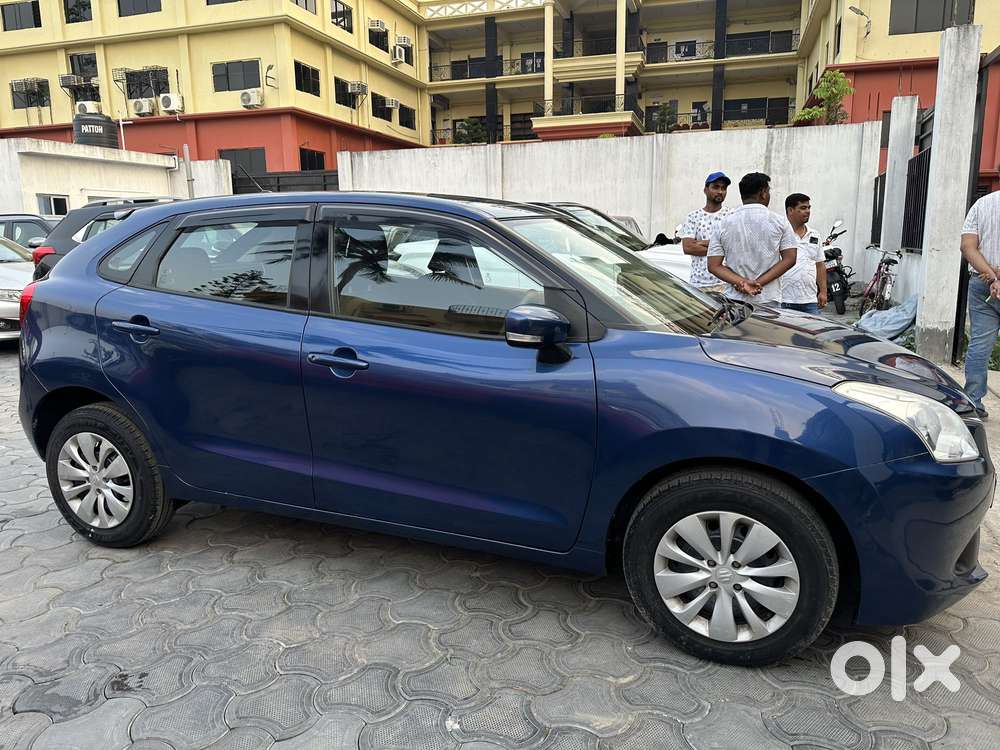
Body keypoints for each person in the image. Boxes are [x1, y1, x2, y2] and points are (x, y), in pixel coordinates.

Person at [707, 172, 798, 303]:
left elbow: (714, 266)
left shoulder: (723, 224)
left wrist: (743, 283)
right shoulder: (780, 222)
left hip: (734, 299)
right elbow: (790, 258)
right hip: (768, 298)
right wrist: (758, 283)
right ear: (763, 193)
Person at [960, 188, 1000, 420]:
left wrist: (992, 276)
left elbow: (968, 247)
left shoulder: (982, 204)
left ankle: (973, 402)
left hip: (983, 283)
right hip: (989, 280)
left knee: (980, 344)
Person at [679, 172, 731, 292]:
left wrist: (700, 243)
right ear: (705, 190)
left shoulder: (731, 216)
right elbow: (688, 248)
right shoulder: (693, 217)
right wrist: (720, 247)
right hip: (698, 284)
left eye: (724, 188)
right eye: (716, 187)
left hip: (724, 283)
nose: (720, 191)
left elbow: (732, 248)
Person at [780, 193, 827, 314]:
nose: (808, 211)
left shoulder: (814, 235)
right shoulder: (780, 234)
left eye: (809, 207)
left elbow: (820, 264)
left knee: (813, 332)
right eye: (803, 208)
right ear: (790, 210)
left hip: (810, 301)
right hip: (784, 300)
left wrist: (823, 292)